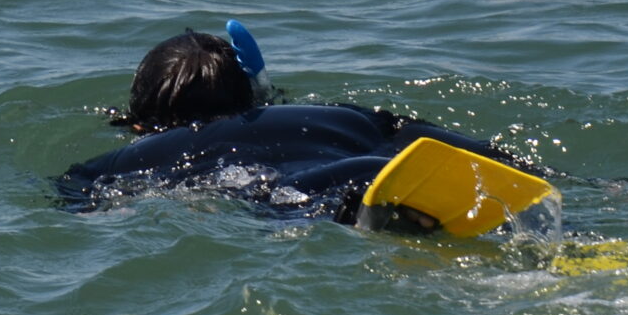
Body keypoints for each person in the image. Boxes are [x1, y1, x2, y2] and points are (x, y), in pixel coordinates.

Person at [56, 29, 549, 228]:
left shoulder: (140, 155)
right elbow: (485, 156)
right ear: (254, 96)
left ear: (138, 123)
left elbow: (75, 201)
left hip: (303, 197)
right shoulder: (343, 115)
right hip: (381, 171)